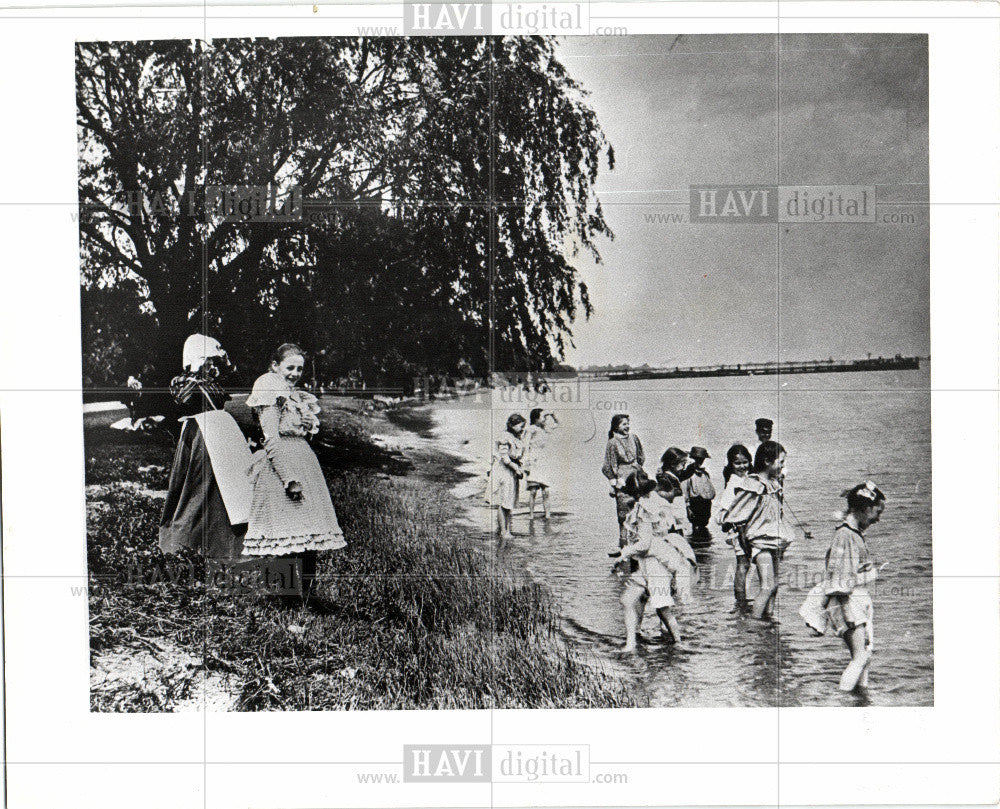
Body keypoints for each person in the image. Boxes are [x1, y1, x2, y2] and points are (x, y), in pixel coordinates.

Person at [243, 343, 347, 600]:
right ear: (275, 366)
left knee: (309, 532)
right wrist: (288, 479)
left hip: (304, 462)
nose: (295, 373)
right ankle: (286, 598)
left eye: (299, 368)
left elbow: (297, 431)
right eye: (289, 367)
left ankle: (308, 597)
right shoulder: (269, 386)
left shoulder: (294, 394)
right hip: (283, 466)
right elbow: (271, 437)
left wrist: (306, 428)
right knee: (286, 533)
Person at [159, 334, 252, 560]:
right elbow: (185, 398)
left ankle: (226, 541)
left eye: (214, 360)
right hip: (200, 434)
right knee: (197, 488)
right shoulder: (183, 382)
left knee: (229, 490)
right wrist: (198, 371)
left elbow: (236, 380)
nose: (212, 365)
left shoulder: (216, 377)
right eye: (208, 360)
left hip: (222, 432)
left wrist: (225, 361)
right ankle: (186, 543)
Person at [799, 481, 886, 691]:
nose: (878, 519)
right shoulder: (846, 535)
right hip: (848, 603)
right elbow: (840, 582)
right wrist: (849, 616)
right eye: (877, 512)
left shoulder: (850, 534)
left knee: (864, 656)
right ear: (865, 509)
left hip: (852, 601)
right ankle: (845, 697)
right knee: (861, 656)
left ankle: (860, 697)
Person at [615, 471, 698, 651]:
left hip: (654, 563)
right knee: (632, 601)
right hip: (657, 558)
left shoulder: (644, 509)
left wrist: (625, 552)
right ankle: (633, 643)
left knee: (661, 607)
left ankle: (677, 642)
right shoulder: (657, 503)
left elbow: (644, 543)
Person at [720, 440, 793, 620]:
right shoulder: (754, 484)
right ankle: (754, 623)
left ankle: (768, 619)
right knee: (767, 586)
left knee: (774, 585)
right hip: (760, 542)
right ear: (768, 461)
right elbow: (736, 513)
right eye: (780, 462)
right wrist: (742, 539)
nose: (783, 467)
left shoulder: (773, 483)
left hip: (774, 539)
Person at [715, 444, 755, 609]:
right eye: (737, 463)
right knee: (743, 564)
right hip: (739, 530)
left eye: (745, 462)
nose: (742, 466)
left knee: (746, 564)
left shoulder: (748, 479)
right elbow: (721, 514)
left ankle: (742, 599)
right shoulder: (734, 483)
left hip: (749, 528)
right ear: (731, 465)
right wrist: (731, 522)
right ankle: (740, 600)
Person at [601, 414, 646, 547]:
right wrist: (613, 482)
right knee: (623, 516)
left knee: (639, 512)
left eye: (628, 423)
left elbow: (641, 456)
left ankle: (638, 544)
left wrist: (637, 468)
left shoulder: (634, 438)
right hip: (622, 481)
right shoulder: (612, 442)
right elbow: (607, 466)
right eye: (623, 424)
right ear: (616, 427)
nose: (627, 426)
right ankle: (624, 547)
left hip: (637, 478)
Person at [490, 413, 527, 538]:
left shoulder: (516, 437)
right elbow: (504, 457)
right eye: (520, 426)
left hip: (512, 471)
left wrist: (520, 468)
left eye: (523, 426)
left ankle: (506, 529)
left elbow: (518, 455)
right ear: (512, 425)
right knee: (503, 501)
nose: (522, 429)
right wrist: (516, 468)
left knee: (509, 501)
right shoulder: (504, 437)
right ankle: (503, 531)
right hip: (504, 471)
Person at [524, 408, 558, 520]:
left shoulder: (545, 429)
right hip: (534, 461)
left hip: (544, 461)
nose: (545, 419)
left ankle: (548, 514)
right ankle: (531, 515)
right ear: (536, 418)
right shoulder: (531, 429)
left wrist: (552, 415)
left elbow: (557, 424)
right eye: (543, 417)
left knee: (546, 490)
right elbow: (525, 445)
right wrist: (526, 463)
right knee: (533, 490)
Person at [684, 446, 717, 535]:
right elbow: (686, 491)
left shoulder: (705, 474)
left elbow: (710, 491)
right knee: (696, 525)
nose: (700, 461)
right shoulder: (688, 473)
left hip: (706, 503)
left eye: (701, 459)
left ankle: (704, 545)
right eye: (697, 459)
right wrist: (688, 507)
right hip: (695, 502)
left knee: (704, 524)